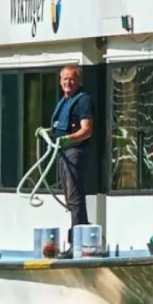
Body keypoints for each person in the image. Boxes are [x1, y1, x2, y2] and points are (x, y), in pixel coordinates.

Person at [51, 65, 95, 229]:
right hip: (63, 153)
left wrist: (67, 140)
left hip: (75, 153)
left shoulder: (83, 100)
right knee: (69, 197)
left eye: (72, 79)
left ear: (79, 81)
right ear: (60, 81)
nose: (68, 82)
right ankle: (78, 233)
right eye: (65, 79)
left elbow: (87, 130)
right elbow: (62, 125)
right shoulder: (63, 101)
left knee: (75, 198)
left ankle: (77, 242)